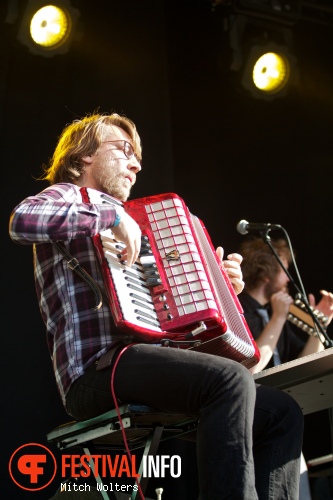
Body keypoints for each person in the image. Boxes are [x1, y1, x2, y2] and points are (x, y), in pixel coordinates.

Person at [9, 112, 304, 499]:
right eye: (124, 150)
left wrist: (222, 290)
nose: (135, 164)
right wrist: (111, 214)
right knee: (230, 382)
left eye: (138, 158)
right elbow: (21, 221)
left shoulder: (138, 225)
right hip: (95, 371)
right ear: (84, 156)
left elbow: (171, 324)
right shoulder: (69, 196)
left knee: (282, 411)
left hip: (143, 361)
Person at [238, 236, 333, 500]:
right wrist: (279, 317)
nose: (289, 279)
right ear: (267, 272)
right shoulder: (242, 308)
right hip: (255, 424)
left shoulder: (274, 315)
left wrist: (319, 328)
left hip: (284, 422)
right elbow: (254, 364)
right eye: (284, 269)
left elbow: (303, 360)